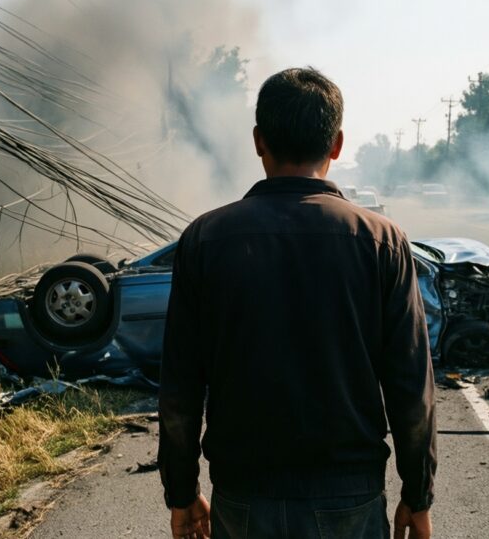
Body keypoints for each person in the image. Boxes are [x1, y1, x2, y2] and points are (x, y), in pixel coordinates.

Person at [159, 67, 437, 539]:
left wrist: (182, 493)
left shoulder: (206, 239)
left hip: (243, 496)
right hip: (347, 496)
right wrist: (418, 493)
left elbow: (180, 387)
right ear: (337, 145)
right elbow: (411, 386)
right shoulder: (382, 242)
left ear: (258, 141)